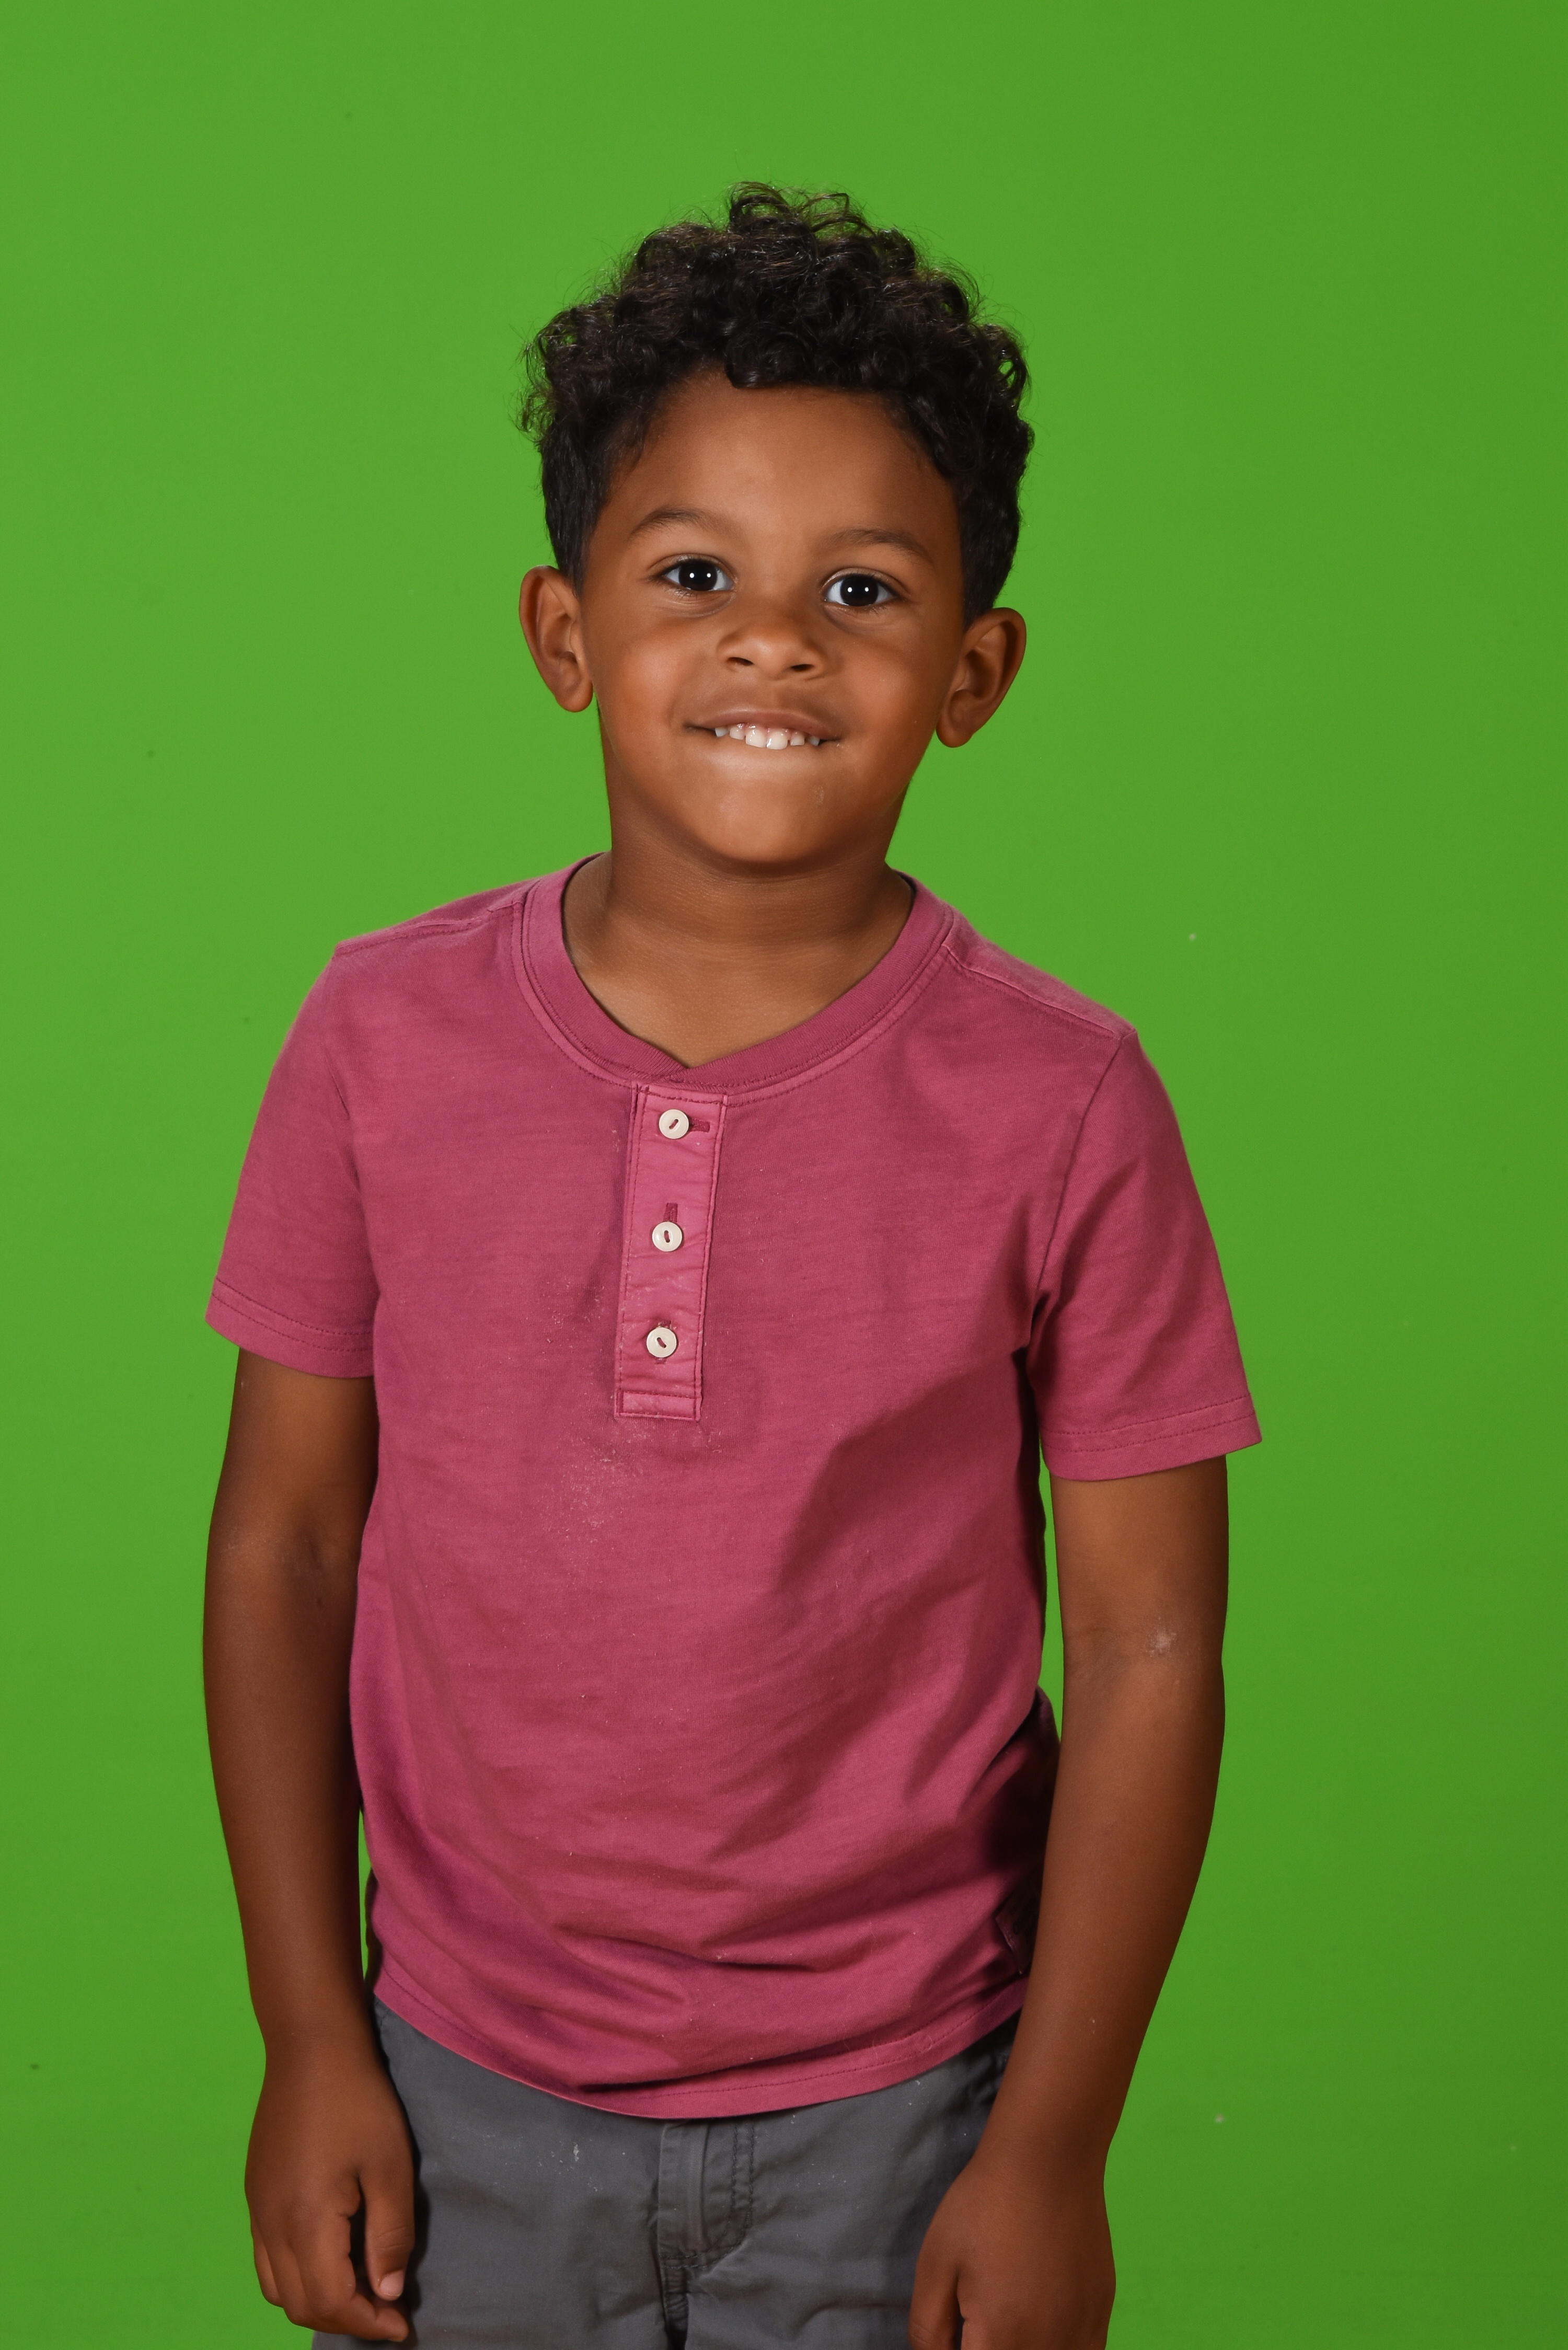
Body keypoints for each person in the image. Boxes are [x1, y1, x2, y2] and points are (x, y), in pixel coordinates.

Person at [203, 186, 1260, 2350]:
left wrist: (1052, 2148)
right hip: (459, 2083)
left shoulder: (1067, 1101)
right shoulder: (377, 1038)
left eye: (861, 590)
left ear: (972, 674)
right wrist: (309, 2034)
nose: (776, 641)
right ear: (564, 633)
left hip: (912, 2105)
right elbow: (287, 1547)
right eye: (696, 575)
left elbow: (1150, 1640)